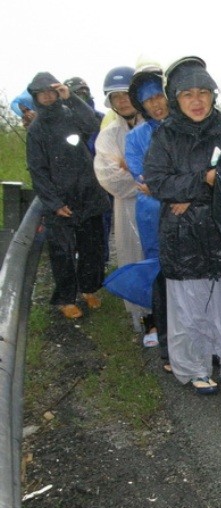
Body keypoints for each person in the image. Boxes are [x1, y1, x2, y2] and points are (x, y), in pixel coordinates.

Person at [143, 56, 221, 394]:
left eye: (204, 92)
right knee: (189, 309)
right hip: (182, 235)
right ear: (176, 98)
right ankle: (195, 367)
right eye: (187, 94)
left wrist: (191, 191)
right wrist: (205, 180)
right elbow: (157, 183)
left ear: (214, 95)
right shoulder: (166, 135)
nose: (197, 101)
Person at [26, 72, 110, 319]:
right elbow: (38, 170)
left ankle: (89, 289)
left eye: (51, 91)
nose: (47, 97)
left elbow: (93, 125)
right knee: (62, 252)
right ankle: (64, 298)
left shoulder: (71, 114)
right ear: (36, 97)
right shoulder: (36, 130)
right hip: (61, 202)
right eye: (42, 93)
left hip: (89, 194)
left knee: (91, 247)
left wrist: (71, 98)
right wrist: (54, 203)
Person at [93, 66, 147, 334]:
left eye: (126, 94)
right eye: (116, 97)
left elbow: (164, 170)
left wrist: (129, 167)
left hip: (158, 208)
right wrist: (143, 179)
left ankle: (164, 319)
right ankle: (141, 318)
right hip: (125, 209)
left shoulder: (155, 127)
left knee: (160, 260)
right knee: (131, 258)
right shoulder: (108, 136)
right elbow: (109, 177)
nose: (122, 101)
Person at [125, 64, 170, 365]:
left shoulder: (184, 126)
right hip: (152, 214)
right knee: (160, 272)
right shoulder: (136, 137)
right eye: (148, 99)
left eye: (159, 95)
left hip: (186, 212)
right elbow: (142, 178)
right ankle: (164, 334)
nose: (155, 103)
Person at [65, 76, 113, 267]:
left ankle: (101, 261)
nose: (81, 96)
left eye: (83, 92)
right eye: (76, 93)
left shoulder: (100, 119)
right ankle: (81, 264)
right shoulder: (64, 121)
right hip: (74, 184)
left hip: (100, 181)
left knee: (103, 223)